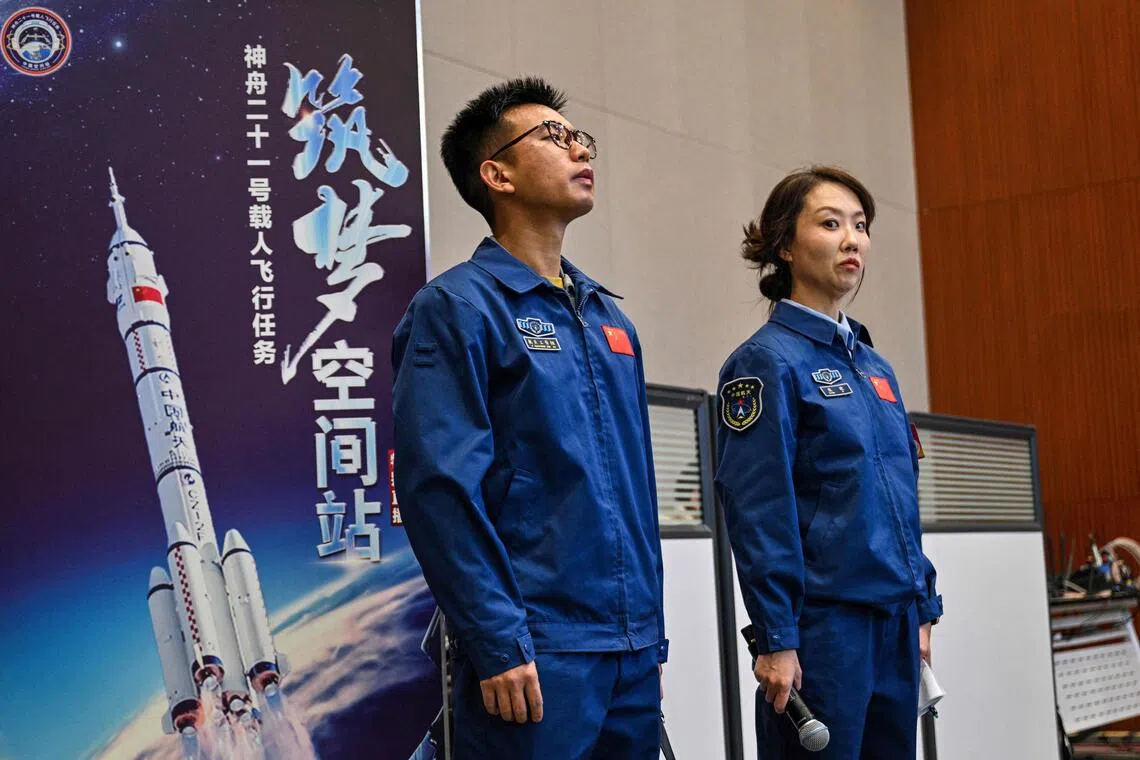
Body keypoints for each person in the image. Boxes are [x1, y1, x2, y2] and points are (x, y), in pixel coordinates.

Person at [391, 76, 667, 759]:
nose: (577, 147)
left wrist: (648, 635)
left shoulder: (610, 319)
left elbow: (633, 491)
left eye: (578, 136)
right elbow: (439, 489)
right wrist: (495, 638)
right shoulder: (457, 308)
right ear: (497, 174)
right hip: (533, 653)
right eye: (552, 136)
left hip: (629, 651)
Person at [714, 166, 943, 759]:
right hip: (822, 631)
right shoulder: (765, 362)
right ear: (785, 245)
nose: (852, 240)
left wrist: (921, 607)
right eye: (831, 223)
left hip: (893, 624)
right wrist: (777, 638)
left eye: (861, 226)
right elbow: (758, 510)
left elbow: (899, 498)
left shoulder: (875, 368)